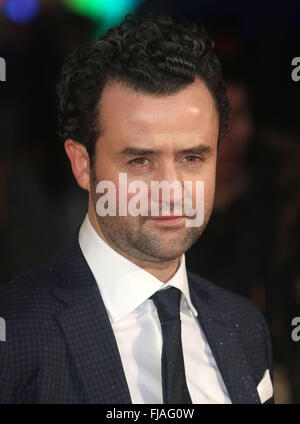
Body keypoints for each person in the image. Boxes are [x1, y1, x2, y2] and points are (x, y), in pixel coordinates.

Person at [0, 13, 274, 404]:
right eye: (140, 161)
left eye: (193, 158)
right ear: (82, 164)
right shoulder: (14, 337)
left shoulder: (245, 329)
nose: (171, 189)